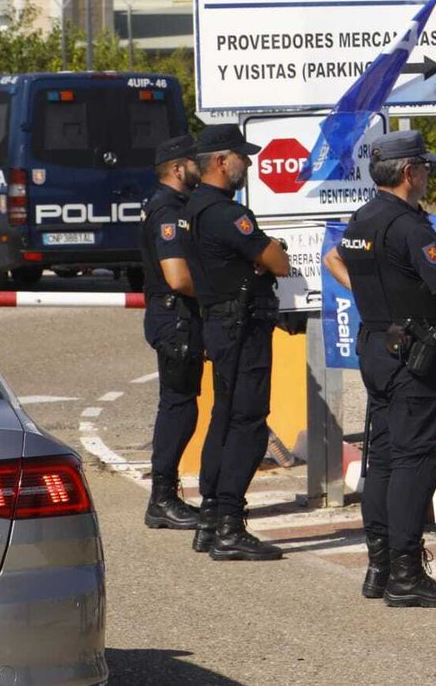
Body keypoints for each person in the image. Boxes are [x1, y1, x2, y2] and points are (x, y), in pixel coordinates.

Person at [322, 130, 436, 609]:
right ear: (410, 173)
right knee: (413, 459)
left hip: (377, 346)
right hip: (412, 352)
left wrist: (368, 297)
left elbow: (335, 259)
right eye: (425, 167)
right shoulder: (411, 227)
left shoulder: (363, 218)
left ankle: (380, 566)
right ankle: (405, 571)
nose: (428, 175)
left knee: (382, 456)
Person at [180, 124, 290, 562]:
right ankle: (228, 523)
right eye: (242, 157)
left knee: (224, 417)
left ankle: (211, 518)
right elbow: (277, 261)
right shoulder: (227, 213)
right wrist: (268, 256)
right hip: (241, 329)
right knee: (247, 421)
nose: (249, 163)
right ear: (222, 162)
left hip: (221, 325)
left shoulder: (194, 209)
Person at [139, 133, 204, 531]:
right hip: (175, 318)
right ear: (179, 168)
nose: (201, 166)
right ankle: (162, 498)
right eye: (195, 161)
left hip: (175, 318)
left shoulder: (172, 206)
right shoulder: (168, 212)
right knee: (178, 407)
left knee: (180, 405)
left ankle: (164, 496)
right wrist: (218, 290)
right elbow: (178, 277)